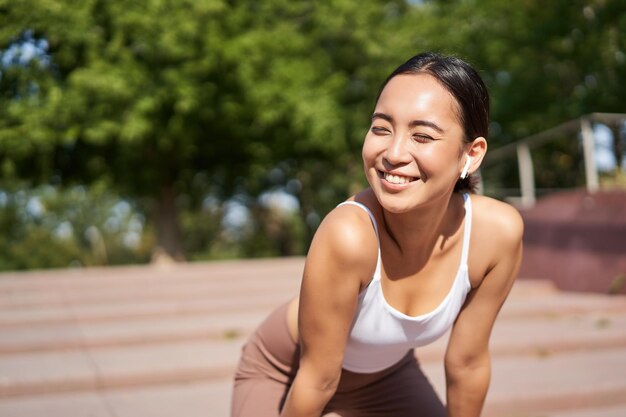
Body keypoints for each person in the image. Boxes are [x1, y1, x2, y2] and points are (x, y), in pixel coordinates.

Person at [231, 51, 524, 417]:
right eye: (381, 128)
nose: (394, 153)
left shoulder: (496, 235)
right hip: (287, 372)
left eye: (422, 135)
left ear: (471, 154)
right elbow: (317, 379)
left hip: (387, 378)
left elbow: (468, 363)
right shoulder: (348, 234)